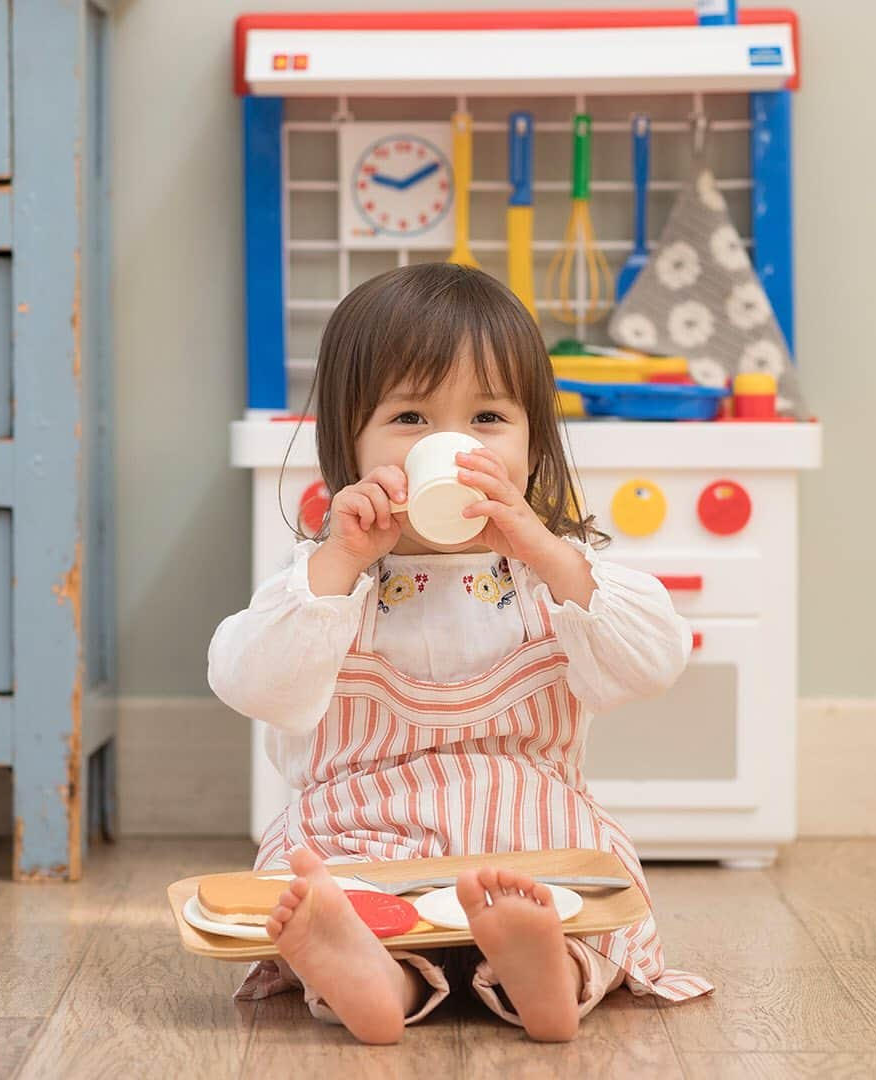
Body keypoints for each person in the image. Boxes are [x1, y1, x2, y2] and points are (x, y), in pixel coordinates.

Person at [208, 263, 713, 1044]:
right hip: (362, 828)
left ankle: (548, 971)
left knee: (603, 875)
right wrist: (338, 564)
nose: (453, 445)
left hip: (527, 830)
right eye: (411, 417)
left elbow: (654, 661)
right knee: (307, 876)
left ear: (534, 444)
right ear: (350, 441)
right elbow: (252, 684)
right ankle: (379, 975)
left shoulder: (554, 571)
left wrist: (551, 554)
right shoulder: (324, 576)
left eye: (487, 417)